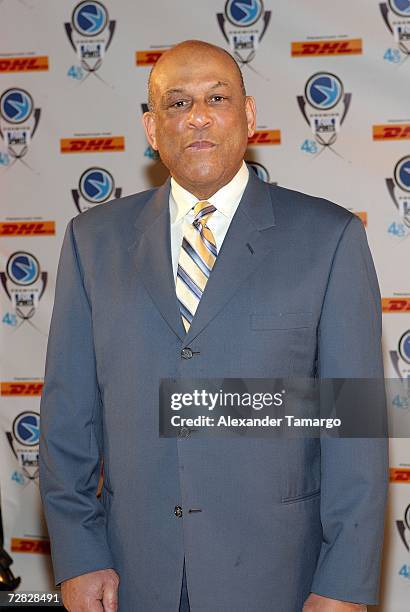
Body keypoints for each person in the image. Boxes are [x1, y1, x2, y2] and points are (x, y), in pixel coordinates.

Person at [39, 40, 388, 611]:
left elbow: (354, 430)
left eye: (216, 98)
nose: (197, 116)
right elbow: (65, 421)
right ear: (152, 130)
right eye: (176, 104)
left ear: (248, 116)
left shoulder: (329, 238)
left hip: (282, 581)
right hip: (131, 580)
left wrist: (343, 585)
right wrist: (79, 556)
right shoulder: (91, 242)